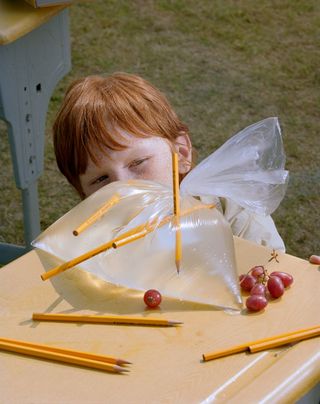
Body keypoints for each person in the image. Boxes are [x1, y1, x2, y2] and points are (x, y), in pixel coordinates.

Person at [52, 72, 316, 261]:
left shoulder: (235, 213)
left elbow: (272, 279)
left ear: (182, 152)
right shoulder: (88, 246)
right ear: (83, 195)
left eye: (138, 163)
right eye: (100, 180)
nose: (123, 188)